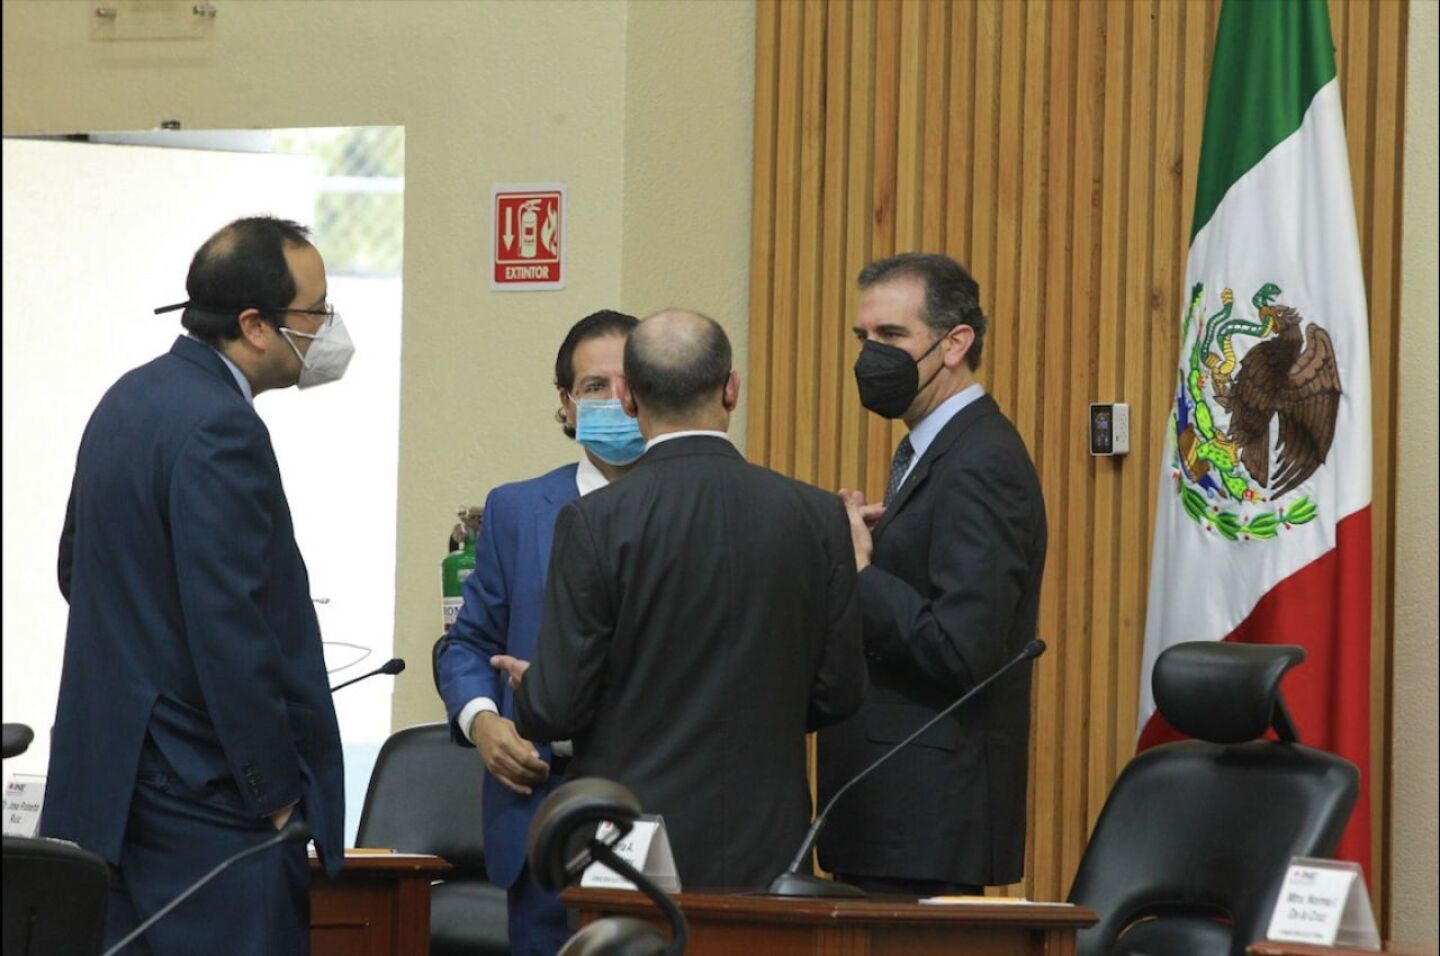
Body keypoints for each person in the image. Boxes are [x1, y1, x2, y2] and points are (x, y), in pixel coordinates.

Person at [42, 216, 353, 954]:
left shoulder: (128, 399)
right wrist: (274, 795)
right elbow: (230, 627)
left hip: (107, 794)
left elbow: (73, 570)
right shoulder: (221, 426)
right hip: (207, 809)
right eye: (315, 312)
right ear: (254, 324)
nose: (329, 328)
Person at [509, 309, 868, 891]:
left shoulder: (596, 522)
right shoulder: (816, 516)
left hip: (632, 839)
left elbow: (557, 710)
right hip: (771, 839)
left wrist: (534, 692)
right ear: (731, 388)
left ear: (628, 399)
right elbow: (840, 691)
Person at [816, 253, 1047, 895]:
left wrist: (860, 571)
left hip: (926, 822)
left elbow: (964, 650)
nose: (870, 356)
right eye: (862, 338)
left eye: (891, 337)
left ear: (955, 344)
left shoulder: (981, 461)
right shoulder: (933, 449)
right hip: (886, 813)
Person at [435, 309, 641, 956]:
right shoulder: (518, 510)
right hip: (539, 809)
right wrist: (482, 721)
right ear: (566, 403)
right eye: (594, 387)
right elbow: (466, 642)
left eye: (630, 385)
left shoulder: (691, 504)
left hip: (653, 809)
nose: (615, 401)